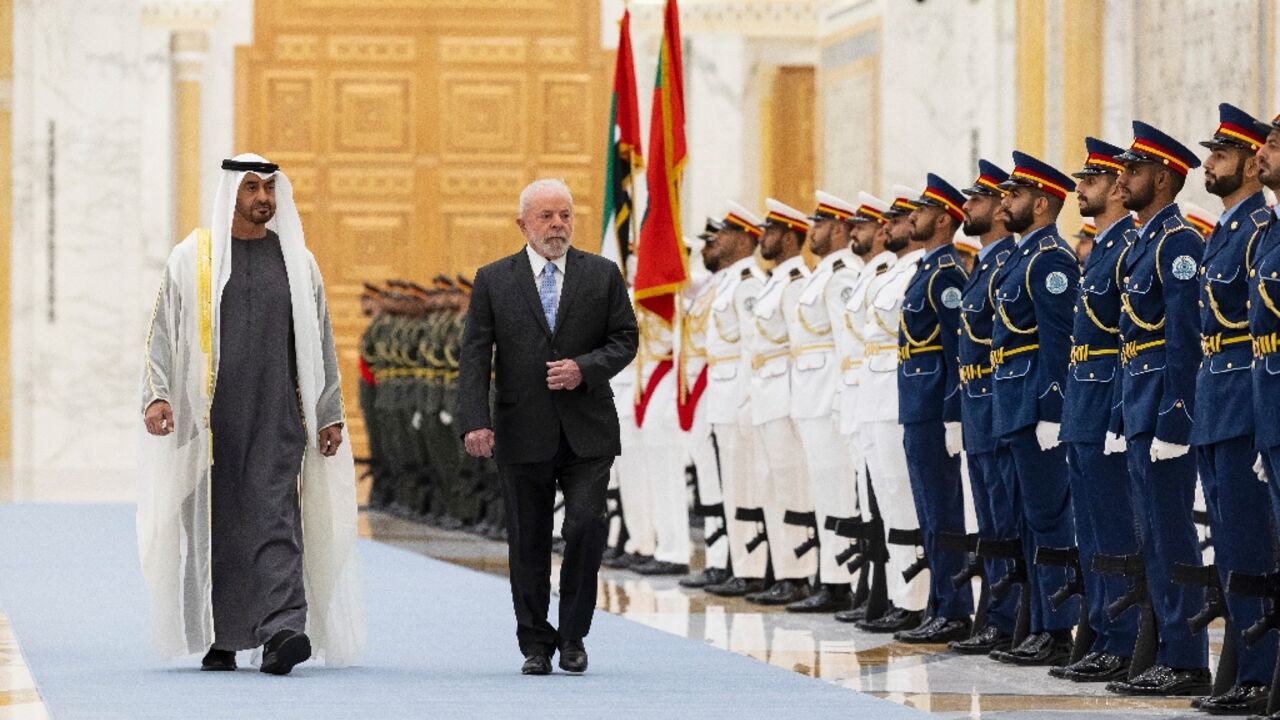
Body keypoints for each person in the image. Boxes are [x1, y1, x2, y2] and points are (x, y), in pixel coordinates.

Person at [138, 154, 364, 676]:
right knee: (218, 526)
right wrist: (157, 395)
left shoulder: (297, 262)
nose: (263, 198)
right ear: (230, 194)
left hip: (278, 415)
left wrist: (328, 413)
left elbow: (320, 343)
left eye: (269, 189)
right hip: (209, 423)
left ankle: (283, 630)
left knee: (276, 518)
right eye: (252, 189)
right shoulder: (191, 258)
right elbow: (161, 334)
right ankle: (222, 636)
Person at [457, 178, 638, 676]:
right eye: (546, 217)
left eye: (565, 216)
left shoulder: (602, 275)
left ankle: (574, 634)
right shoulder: (494, 279)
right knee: (528, 539)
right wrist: (475, 420)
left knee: (586, 524)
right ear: (523, 224)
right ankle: (535, 642)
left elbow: (625, 340)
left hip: (588, 430)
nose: (557, 226)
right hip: (522, 429)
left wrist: (585, 367)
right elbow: (474, 355)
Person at [1107, 121, 1211, 697]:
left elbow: (1183, 338)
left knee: (1172, 532)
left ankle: (1187, 655)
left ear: (1165, 178)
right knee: (1152, 533)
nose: (1123, 180)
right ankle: (1167, 648)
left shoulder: (1179, 243)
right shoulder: (1145, 241)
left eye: (1134, 170)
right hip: (1138, 401)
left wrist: (1177, 415)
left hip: (1162, 404)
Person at [1187, 104, 1276, 714]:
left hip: (1246, 397)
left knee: (1249, 541)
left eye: (1220, 155)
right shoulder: (1230, 232)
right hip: (1217, 395)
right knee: (1229, 540)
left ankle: (1259, 670)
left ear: (1248, 161)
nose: (1208, 164)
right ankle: (1242, 665)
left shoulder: (1256, 232)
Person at [1052, 138, 1141, 683]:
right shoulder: (1104, 248)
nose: (1079, 188)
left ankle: (1123, 637)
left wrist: (1115, 415)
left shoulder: (1127, 246)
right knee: (1092, 531)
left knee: (1115, 532)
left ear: (1114, 187)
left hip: (1106, 401)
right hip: (1083, 404)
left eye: (1090, 180)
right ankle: (1104, 633)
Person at [988, 152, 1081, 667]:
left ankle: (1057, 628)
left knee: (1049, 518)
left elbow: (1057, 342)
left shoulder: (1051, 259)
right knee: (1028, 518)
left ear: (1041, 204)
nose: (1005, 201)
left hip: (1033, 404)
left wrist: (1052, 409)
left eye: (1015, 195)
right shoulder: (1023, 257)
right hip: (1012, 400)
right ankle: (1037, 622)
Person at [894, 174, 974, 644]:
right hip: (915, 403)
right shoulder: (926, 270)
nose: (912, 219)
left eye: (921, 212)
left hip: (933, 405)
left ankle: (956, 607)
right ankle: (939, 602)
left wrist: (951, 413)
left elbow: (954, 349)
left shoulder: (947, 274)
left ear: (944, 220)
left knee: (943, 510)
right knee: (928, 508)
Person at [948, 159, 1022, 656]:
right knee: (991, 521)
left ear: (1000, 209)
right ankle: (996, 613)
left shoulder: (1005, 266)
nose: (965, 208)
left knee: (1008, 519)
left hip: (999, 405)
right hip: (977, 407)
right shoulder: (982, 268)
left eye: (975, 200)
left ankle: (1011, 616)